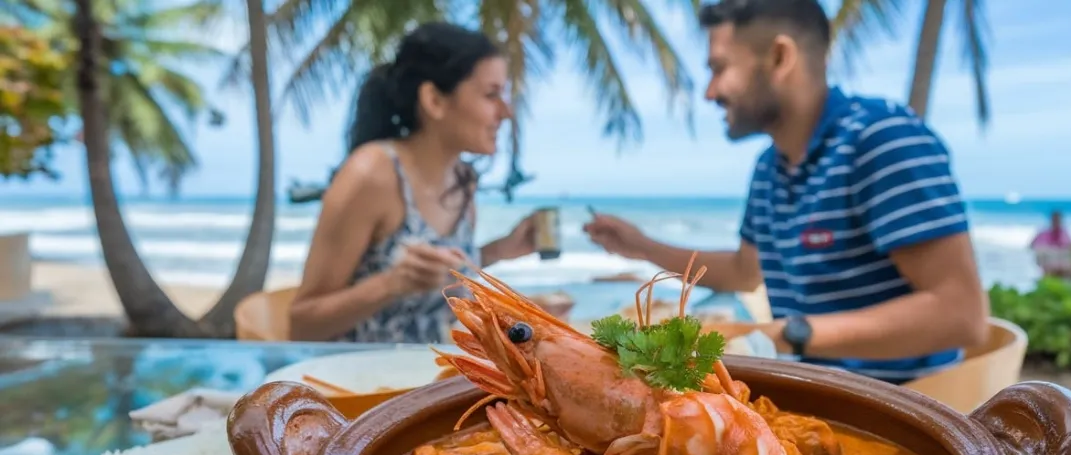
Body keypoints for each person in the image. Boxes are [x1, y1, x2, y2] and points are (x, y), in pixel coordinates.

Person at [583, 0, 989, 384]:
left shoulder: (880, 140)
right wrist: (640, 246)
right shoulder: (770, 167)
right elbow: (744, 272)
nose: (710, 92)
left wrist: (786, 334)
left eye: (720, 68)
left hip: (898, 407)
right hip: (818, 392)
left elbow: (962, 315)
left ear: (780, 57)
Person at [289, 22, 539, 343]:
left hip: (432, 378)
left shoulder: (462, 180)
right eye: (491, 94)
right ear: (434, 100)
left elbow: (439, 278)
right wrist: (391, 284)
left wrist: (501, 249)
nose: (506, 112)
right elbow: (301, 324)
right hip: (361, 384)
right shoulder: (372, 174)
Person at [1030, 210, 1071, 280]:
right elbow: (1032, 245)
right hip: (1048, 262)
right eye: (1055, 220)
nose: (1056, 222)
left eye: (1058, 220)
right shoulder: (1043, 233)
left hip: (1062, 262)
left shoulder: (1064, 234)